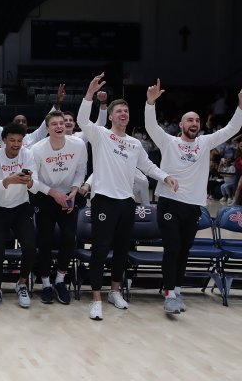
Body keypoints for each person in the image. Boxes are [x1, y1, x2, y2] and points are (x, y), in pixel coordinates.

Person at [77, 73, 178, 320]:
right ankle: (96, 299)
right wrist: (89, 94)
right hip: (103, 199)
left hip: (126, 202)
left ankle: (115, 291)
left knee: (122, 249)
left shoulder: (134, 143)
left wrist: (165, 176)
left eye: (126, 111)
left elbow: (148, 167)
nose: (123, 113)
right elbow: (81, 120)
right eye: (119, 111)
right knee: (100, 250)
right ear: (111, 116)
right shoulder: (100, 134)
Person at [145, 82, 242, 314]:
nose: (194, 123)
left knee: (184, 250)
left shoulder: (205, 143)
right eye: (189, 120)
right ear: (181, 125)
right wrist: (150, 103)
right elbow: (151, 126)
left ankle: (176, 290)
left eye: (197, 120)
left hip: (194, 205)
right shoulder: (169, 142)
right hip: (169, 202)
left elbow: (231, 128)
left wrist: (240, 106)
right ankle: (169, 294)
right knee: (172, 248)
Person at [30, 111, 87, 305]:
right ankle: (46, 283)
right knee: (45, 241)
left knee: (69, 239)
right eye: (54, 124)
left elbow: (81, 169)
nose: (59, 126)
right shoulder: (37, 149)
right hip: (45, 196)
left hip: (69, 196)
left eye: (61, 123)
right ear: (47, 128)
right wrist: (55, 194)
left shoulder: (78, 145)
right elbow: (33, 181)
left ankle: (60, 280)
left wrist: (74, 191)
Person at [0, 123, 40, 308]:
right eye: (12, 140)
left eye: (19, 141)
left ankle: (22, 283)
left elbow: (36, 187)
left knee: (30, 247)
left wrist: (29, 181)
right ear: (4, 140)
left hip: (21, 207)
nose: (16, 144)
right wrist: (9, 180)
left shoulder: (27, 154)